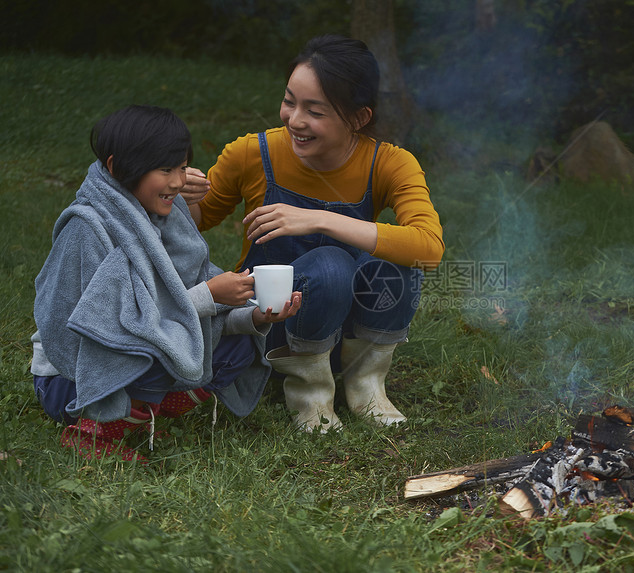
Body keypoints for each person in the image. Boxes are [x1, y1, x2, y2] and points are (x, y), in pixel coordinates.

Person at [181, 35, 444, 432]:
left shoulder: (389, 163)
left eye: (315, 111)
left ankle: (365, 387)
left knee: (396, 264)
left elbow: (428, 247)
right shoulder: (252, 154)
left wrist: (319, 219)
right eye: (290, 101)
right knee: (333, 263)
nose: (295, 120)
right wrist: (176, 197)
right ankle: (310, 397)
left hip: (343, 344)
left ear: (358, 118)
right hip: (263, 333)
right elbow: (193, 223)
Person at [31, 105, 302, 462]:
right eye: (165, 170)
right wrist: (209, 295)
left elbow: (187, 308)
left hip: (124, 362)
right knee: (159, 348)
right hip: (74, 382)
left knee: (239, 346)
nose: (177, 183)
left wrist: (255, 319)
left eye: (181, 168)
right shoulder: (88, 228)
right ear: (117, 168)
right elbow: (107, 327)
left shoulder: (165, 218)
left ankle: (142, 412)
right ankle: (94, 431)